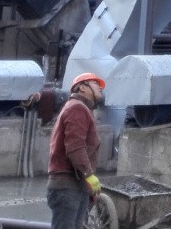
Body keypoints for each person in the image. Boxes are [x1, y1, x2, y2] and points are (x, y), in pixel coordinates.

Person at [47, 72, 105, 229]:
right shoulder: (77, 108)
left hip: (75, 187)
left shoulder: (82, 109)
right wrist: (88, 174)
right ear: (82, 88)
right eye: (95, 84)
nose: (100, 87)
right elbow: (75, 147)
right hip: (67, 188)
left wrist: (87, 184)